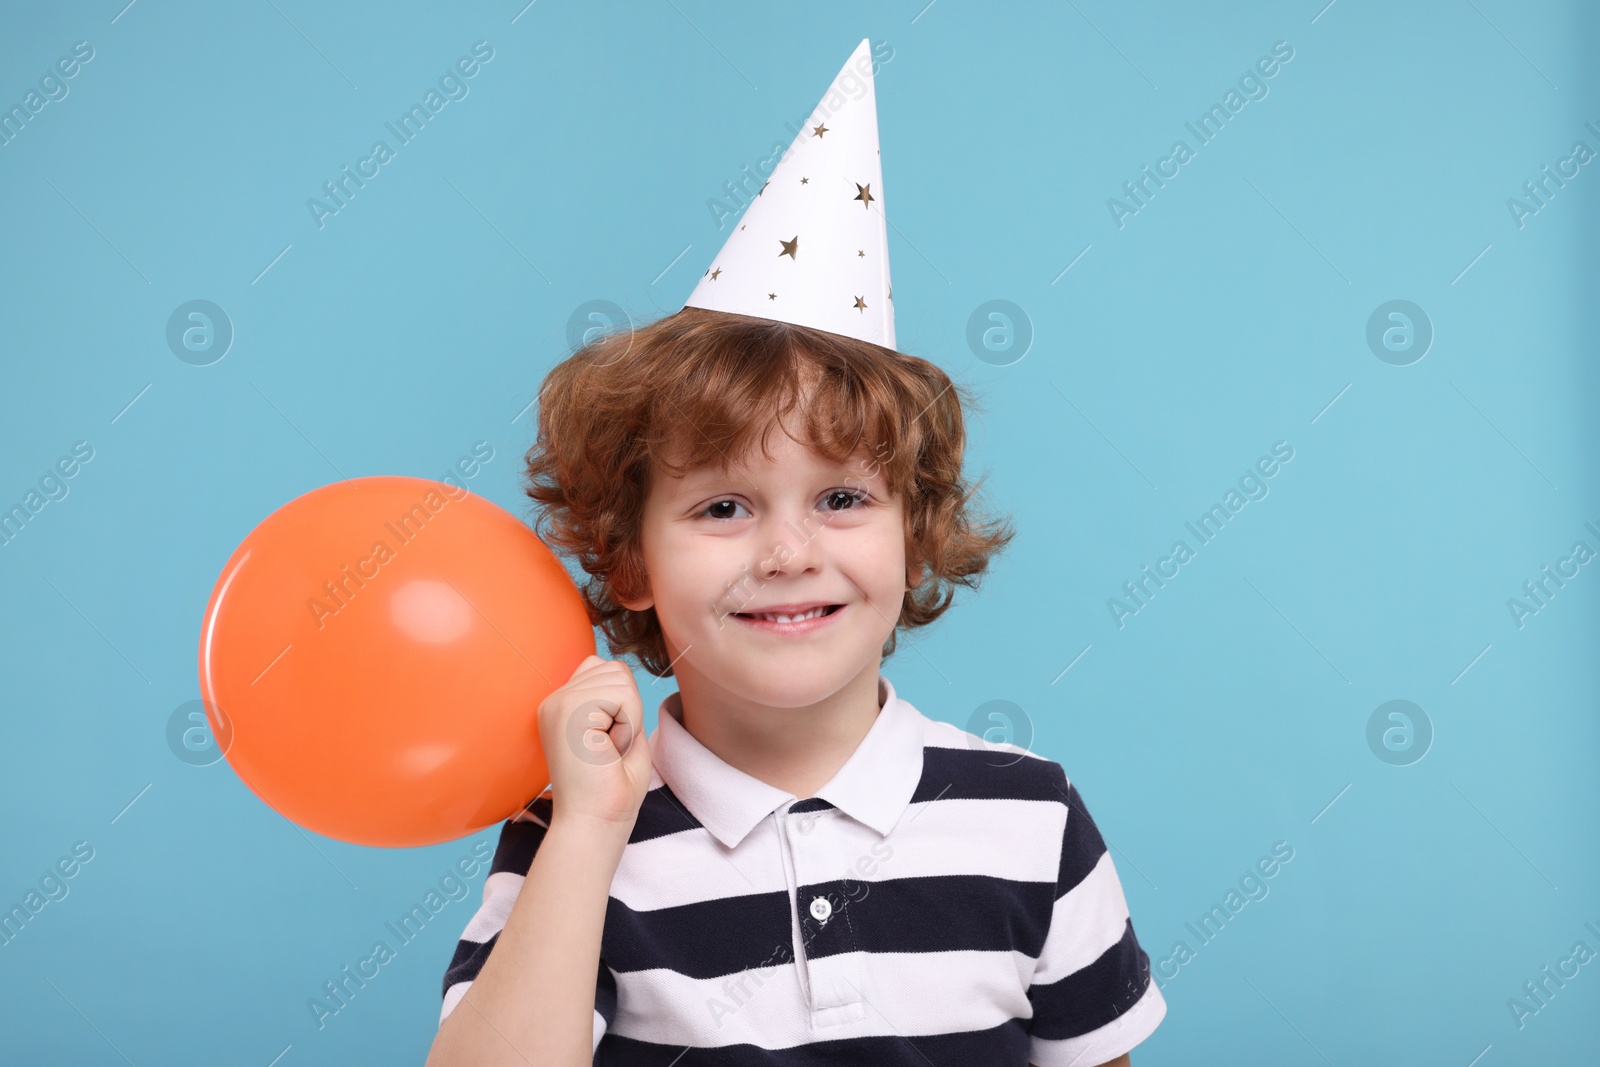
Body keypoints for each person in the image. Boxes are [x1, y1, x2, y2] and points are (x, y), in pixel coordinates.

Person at [425, 38, 1165, 1067]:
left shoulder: (1027, 813)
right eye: (724, 505)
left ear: (915, 539)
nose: (786, 550)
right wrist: (588, 833)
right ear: (628, 560)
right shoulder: (578, 832)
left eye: (843, 497)